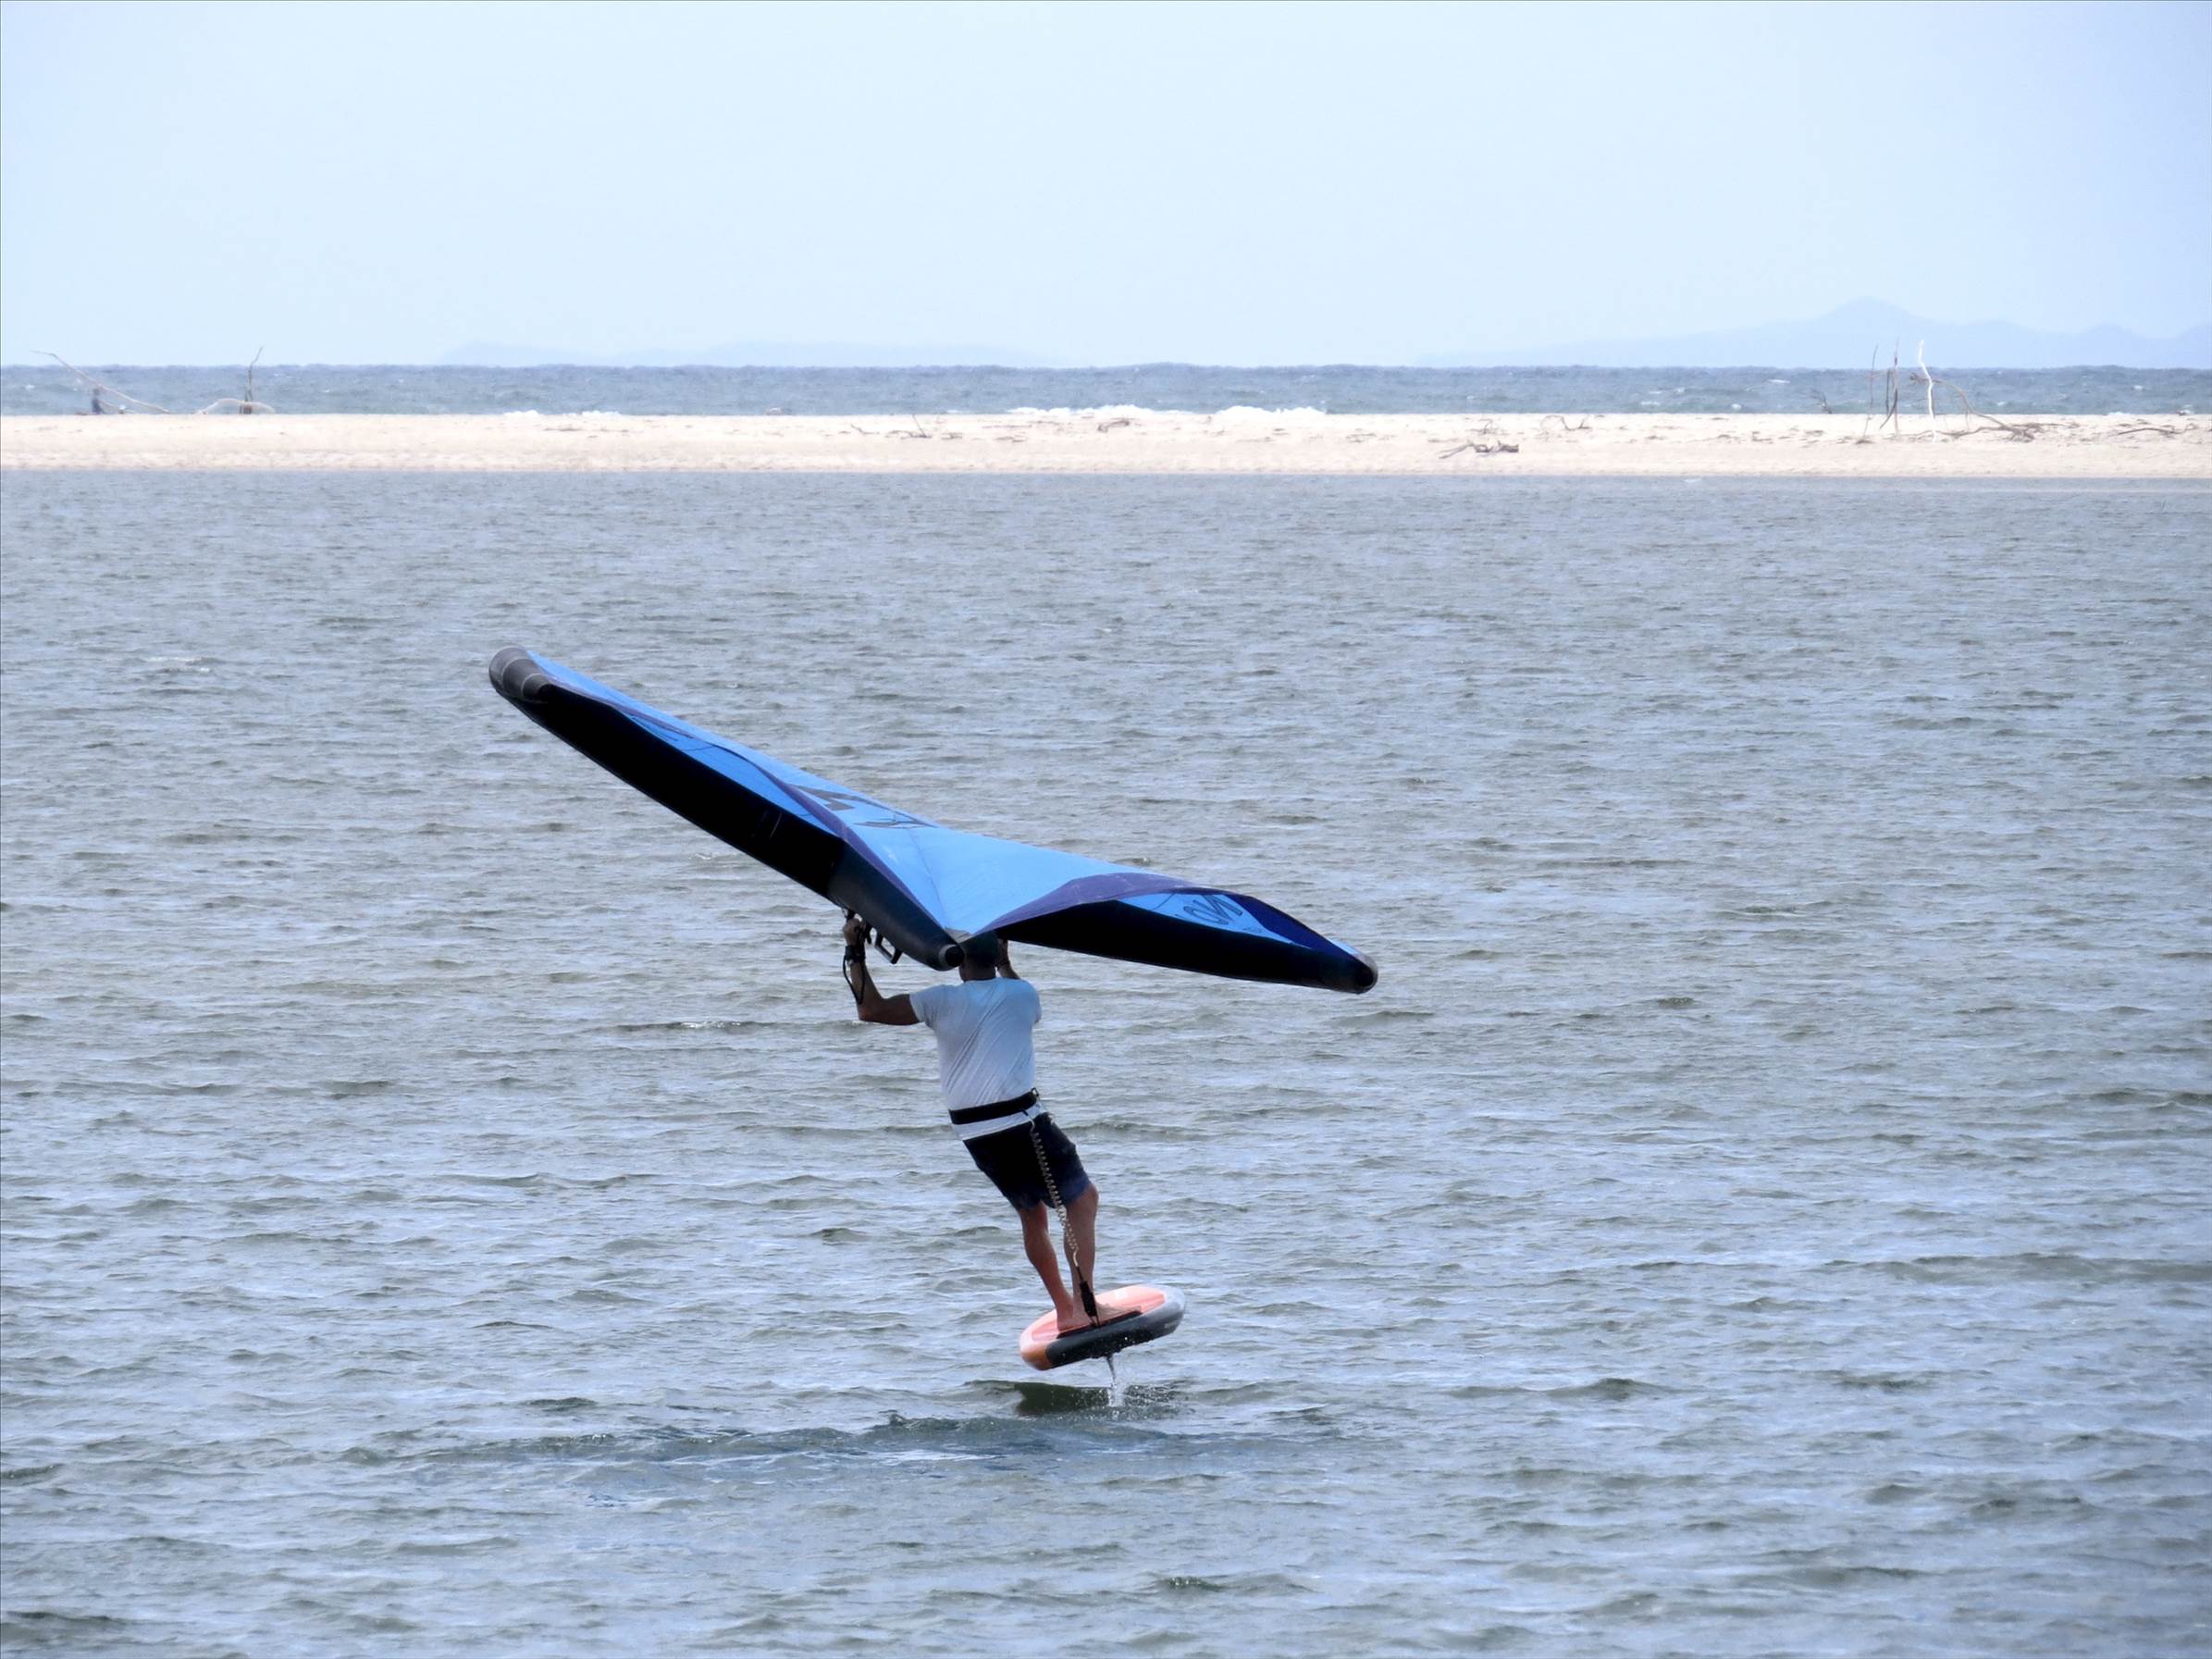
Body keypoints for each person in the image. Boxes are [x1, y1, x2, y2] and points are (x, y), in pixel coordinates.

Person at [841, 914, 1113, 1333]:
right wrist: (1006, 963)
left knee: (1031, 1214)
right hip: (1022, 1123)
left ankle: (1064, 1310)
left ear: (958, 963)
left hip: (976, 1133)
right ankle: (1086, 1308)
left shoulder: (939, 1001)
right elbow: (1017, 993)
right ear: (999, 955)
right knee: (1082, 1200)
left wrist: (855, 948)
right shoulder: (1023, 994)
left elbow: (870, 1009)